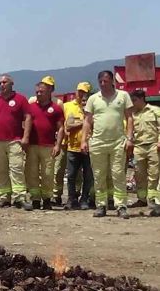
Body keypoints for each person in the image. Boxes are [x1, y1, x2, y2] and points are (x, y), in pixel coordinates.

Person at [81, 70, 134, 219]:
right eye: (100, 82)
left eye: (106, 81)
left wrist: (130, 138)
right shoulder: (93, 99)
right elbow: (87, 121)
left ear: (112, 81)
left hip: (118, 142)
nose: (103, 84)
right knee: (99, 175)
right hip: (98, 142)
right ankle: (101, 205)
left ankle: (121, 206)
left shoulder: (123, 96)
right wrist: (84, 141)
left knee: (118, 174)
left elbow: (129, 118)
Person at [0, 74, 33, 210]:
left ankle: (20, 198)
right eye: (0, 83)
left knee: (16, 169)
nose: (2, 85)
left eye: (5, 82)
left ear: (12, 83)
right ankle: (5, 197)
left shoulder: (20, 99)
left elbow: (28, 117)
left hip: (14, 140)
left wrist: (26, 137)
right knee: (0, 170)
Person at [26, 82, 65, 210]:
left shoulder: (56, 108)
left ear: (49, 92)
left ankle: (47, 199)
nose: (38, 94)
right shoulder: (30, 107)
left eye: (41, 91)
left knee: (48, 173)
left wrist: (58, 145)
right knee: (32, 173)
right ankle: (35, 199)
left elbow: (60, 128)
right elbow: (24, 124)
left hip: (48, 146)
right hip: (32, 145)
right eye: (37, 91)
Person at [128, 89, 160, 213]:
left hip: (153, 146)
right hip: (138, 147)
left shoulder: (155, 111)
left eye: (135, 100)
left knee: (154, 174)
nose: (133, 103)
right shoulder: (132, 115)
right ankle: (141, 199)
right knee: (139, 174)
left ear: (141, 99)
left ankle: (153, 199)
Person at [63, 82, 93, 210]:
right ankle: (71, 199)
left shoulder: (93, 107)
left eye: (85, 92)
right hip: (73, 147)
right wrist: (85, 122)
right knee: (71, 175)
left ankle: (84, 199)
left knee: (88, 175)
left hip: (89, 148)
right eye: (80, 91)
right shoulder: (68, 106)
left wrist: (78, 122)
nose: (81, 94)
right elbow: (68, 126)